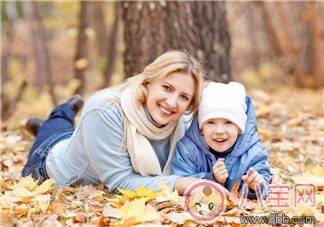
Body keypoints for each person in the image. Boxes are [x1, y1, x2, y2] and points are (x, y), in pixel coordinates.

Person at [22, 50, 215, 194]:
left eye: (184, 97)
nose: (172, 102)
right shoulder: (104, 110)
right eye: (166, 88)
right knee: (54, 127)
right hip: (51, 163)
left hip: (89, 141)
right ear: (149, 82)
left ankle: (54, 121)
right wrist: (181, 184)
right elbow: (121, 182)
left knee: (65, 131)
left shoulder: (183, 121)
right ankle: (64, 111)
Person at [171, 82, 271, 198]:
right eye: (211, 122)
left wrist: (254, 187)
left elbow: (264, 185)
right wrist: (211, 178)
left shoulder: (254, 154)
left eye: (228, 122)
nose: (219, 131)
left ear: (239, 128)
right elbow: (180, 180)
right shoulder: (187, 149)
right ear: (201, 128)